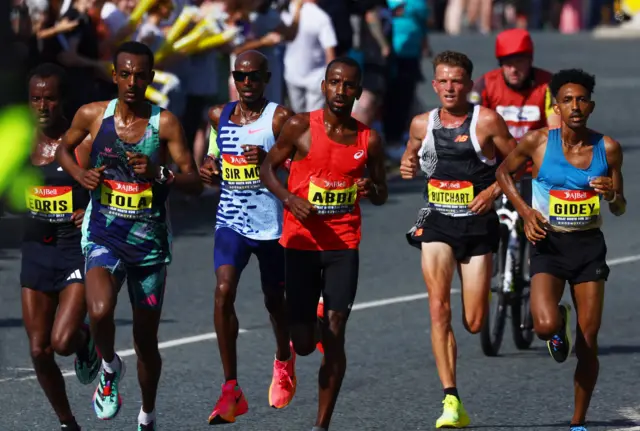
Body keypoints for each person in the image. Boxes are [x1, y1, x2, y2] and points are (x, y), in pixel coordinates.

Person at [55, 41, 203, 431]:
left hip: (149, 246)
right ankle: (108, 366)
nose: (133, 82)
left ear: (150, 78)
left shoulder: (165, 124)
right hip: (103, 235)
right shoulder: (91, 115)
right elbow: (64, 150)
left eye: (141, 75)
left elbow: (192, 182)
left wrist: (158, 173)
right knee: (100, 310)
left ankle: (147, 413)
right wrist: (80, 176)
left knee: (146, 341)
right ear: (114, 74)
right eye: (126, 74)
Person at [260, 57, 388, 431]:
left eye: (349, 85)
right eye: (334, 82)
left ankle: (321, 424)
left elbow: (380, 192)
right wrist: (288, 199)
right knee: (302, 340)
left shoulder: (369, 140)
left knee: (335, 332)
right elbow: (267, 168)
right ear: (324, 86)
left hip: (342, 245)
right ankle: (296, 345)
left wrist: (371, 187)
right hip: (300, 243)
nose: (340, 91)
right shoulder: (300, 127)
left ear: (358, 93)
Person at [495, 69, 626, 431]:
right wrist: (525, 211)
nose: (575, 106)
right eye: (567, 100)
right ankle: (558, 322)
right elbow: (503, 172)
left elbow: (620, 206)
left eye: (582, 99)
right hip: (548, 244)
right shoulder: (538, 142)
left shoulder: (608, 149)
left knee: (588, 341)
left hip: (588, 249)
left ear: (592, 105)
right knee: (544, 325)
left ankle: (578, 421)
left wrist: (611, 193)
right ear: (556, 105)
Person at [399, 51, 517, 428]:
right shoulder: (422, 123)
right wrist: (406, 165)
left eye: (457, 81)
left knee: (474, 321)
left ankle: (496, 296)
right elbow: (410, 155)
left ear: (469, 85)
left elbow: (517, 162)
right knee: (438, 307)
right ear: (435, 85)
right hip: (437, 222)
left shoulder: (487, 121)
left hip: (478, 224)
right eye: (443, 81)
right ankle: (451, 399)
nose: (450, 88)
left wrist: (494, 193)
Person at [198, 50, 297, 425]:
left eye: (254, 77)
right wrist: (208, 168)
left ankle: (283, 358)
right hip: (232, 220)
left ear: (267, 78)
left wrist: (270, 158)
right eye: (241, 77)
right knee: (223, 290)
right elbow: (212, 155)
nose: (247, 84)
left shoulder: (281, 118)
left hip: (272, 224)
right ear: (233, 79)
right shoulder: (218, 115)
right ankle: (231, 389)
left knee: (276, 301)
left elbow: (299, 168)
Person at [21, 63, 101, 431]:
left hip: (74, 250)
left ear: (63, 101)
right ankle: (68, 423)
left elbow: (111, 184)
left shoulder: (81, 142)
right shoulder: (19, 142)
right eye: (35, 98)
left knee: (63, 342)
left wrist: (90, 209)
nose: (41, 106)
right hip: (36, 250)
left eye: (49, 99)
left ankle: (86, 341)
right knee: (39, 350)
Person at [469, 28, 560, 210]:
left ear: (530, 60)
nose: (513, 69)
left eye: (519, 62)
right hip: (496, 166)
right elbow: (471, 129)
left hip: (535, 167)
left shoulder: (549, 85)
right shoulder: (485, 85)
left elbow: (556, 129)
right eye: (508, 63)